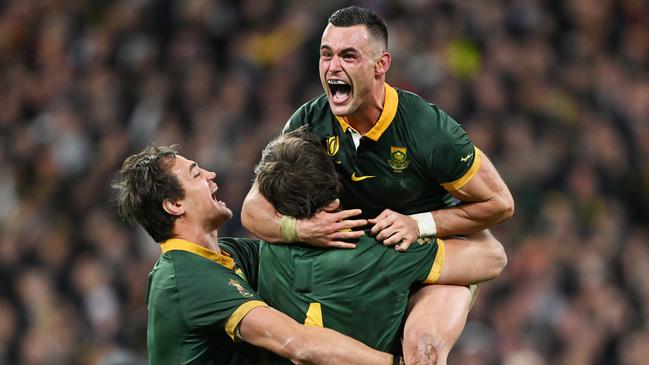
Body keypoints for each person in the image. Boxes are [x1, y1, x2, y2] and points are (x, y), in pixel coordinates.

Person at [241, 6, 514, 365]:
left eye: (348, 55)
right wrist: (303, 228)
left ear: (380, 65)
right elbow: (253, 210)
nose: (333, 66)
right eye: (326, 55)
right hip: (365, 258)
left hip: (431, 254)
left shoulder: (428, 131)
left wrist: (419, 224)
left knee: (423, 352)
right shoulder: (310, 120)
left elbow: (500, 205)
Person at [112, 145, 398, 365]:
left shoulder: (228, 255)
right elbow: (298, 344)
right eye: (196, 174)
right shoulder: (184, 278)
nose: (211, 175)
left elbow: (301, 262)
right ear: (174, 204)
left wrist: (303, 228)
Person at [253, 129, 506, 354]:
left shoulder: (264, 252)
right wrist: (443, 203)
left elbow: (253, 214)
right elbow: (493, 259)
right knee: (453, 291)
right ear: (334, 201)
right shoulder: (387, 251)